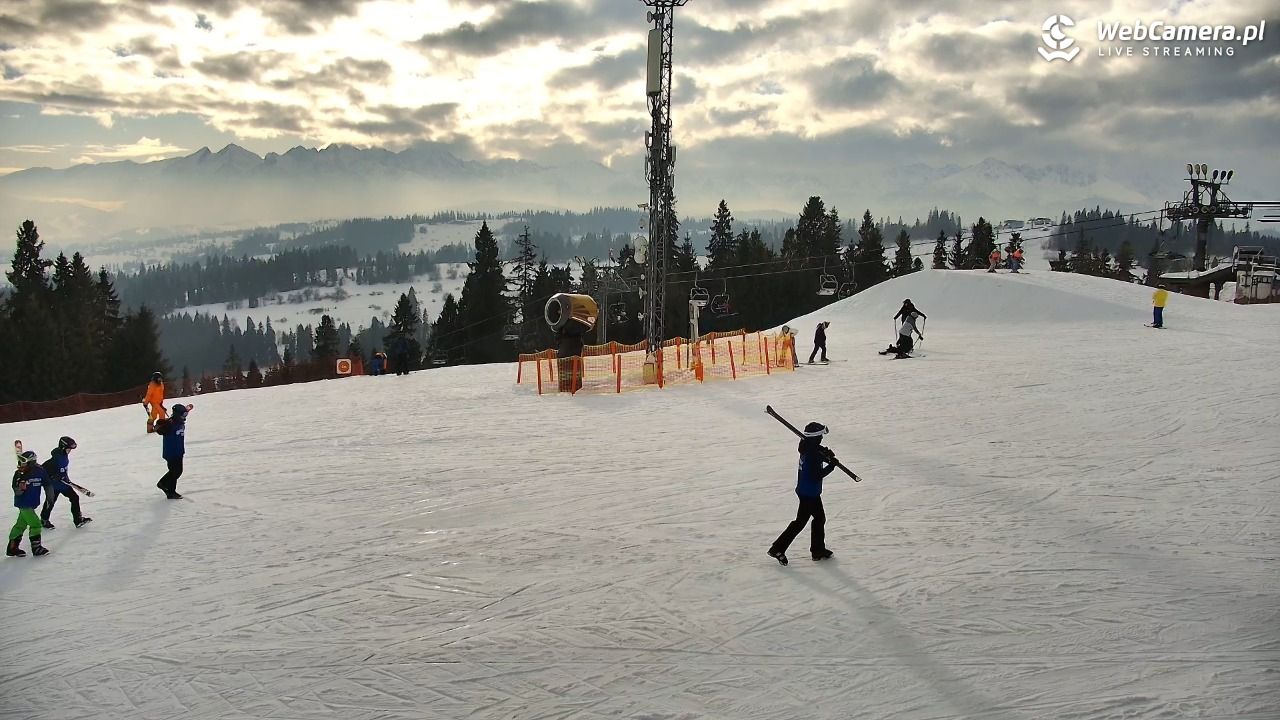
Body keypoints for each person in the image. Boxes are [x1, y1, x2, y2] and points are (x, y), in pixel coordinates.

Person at [767, 422, 838, 565]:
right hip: (809, 493)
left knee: (818, 518)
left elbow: (816, 451)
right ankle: (777, 549)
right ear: (816, 437)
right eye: (821, 436)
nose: (822, 439)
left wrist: (826, 455)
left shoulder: (807, 446)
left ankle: (817, 550)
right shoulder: (812, 454)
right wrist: (831, 466)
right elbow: (816, 475)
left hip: (807, 491)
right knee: (801, 522)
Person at [40, 436, 90, 529]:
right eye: (68, 449)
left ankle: (78, 520)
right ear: (63, 448)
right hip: (54, 486)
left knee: (75, 498)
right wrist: (53, 477)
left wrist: (64, 478)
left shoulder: (63, 456)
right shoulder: (55, 460)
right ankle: (44, 520)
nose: (70, 451)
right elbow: (43, 471)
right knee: (50, 502)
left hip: (64, 485)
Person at [9, 451, 49, 557]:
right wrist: (20, 487)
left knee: (20, 525)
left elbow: (47, 483)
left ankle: (12, 548)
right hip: (23, 504)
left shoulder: (40, 471)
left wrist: (50, 498)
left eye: (24, 462)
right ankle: (36, 548)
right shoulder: (18, 474)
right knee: (36, 524)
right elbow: (16, 490)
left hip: (32, 503)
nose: (21, 465)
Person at [155, 403, 191, 499]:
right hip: (171, 452)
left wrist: (188, 408)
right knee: (175, 471)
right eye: (183, 415)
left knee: (177, 471)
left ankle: (165, 485)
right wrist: (161, 424)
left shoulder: (179, 422)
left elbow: (186, 410)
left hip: (179, 451)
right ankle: (168, 489)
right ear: (177, 415)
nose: (185, 417)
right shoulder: (170, 424)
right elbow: (160, 428)